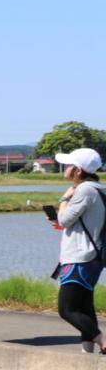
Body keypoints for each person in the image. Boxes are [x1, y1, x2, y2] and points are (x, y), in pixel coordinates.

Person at [51, 148, 106, 353]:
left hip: (80, 256)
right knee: (84, 307)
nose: (65, 168)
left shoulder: (84, 190)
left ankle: (102, 341)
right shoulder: (99, 188)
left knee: (67, 309)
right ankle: (86, 353)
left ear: (79, 170)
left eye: (68, 165)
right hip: (93, 255)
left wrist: (64, 199)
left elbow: (64, 220)